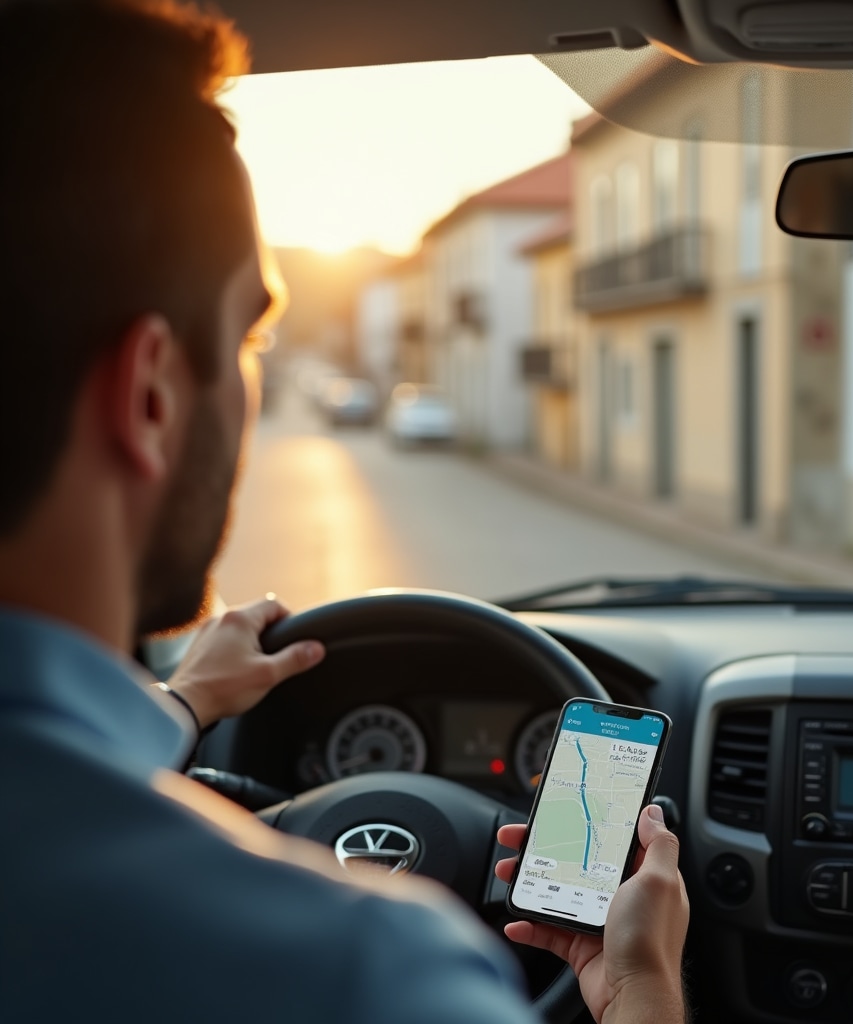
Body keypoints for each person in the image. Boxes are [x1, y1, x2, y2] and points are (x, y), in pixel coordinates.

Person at [0, 2, 689, 1022]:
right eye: (251, 338)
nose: (254, 379)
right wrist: (640, 983)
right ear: (150, 395)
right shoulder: (361, 971)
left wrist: (184, 705)